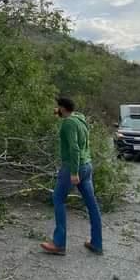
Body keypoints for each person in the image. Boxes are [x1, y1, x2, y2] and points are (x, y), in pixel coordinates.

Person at [40, 97, 103, 256]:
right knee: (92, 204)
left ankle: (59, 243)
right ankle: (97, 243)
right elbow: (72, 113)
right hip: (87, 165)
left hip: (73, 167)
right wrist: (59, 111)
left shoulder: (68, 124)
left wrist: (74, 173)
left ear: (62, 108)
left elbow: (74, 148)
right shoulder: (80, 119)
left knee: (58, 199)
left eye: (58, 107)